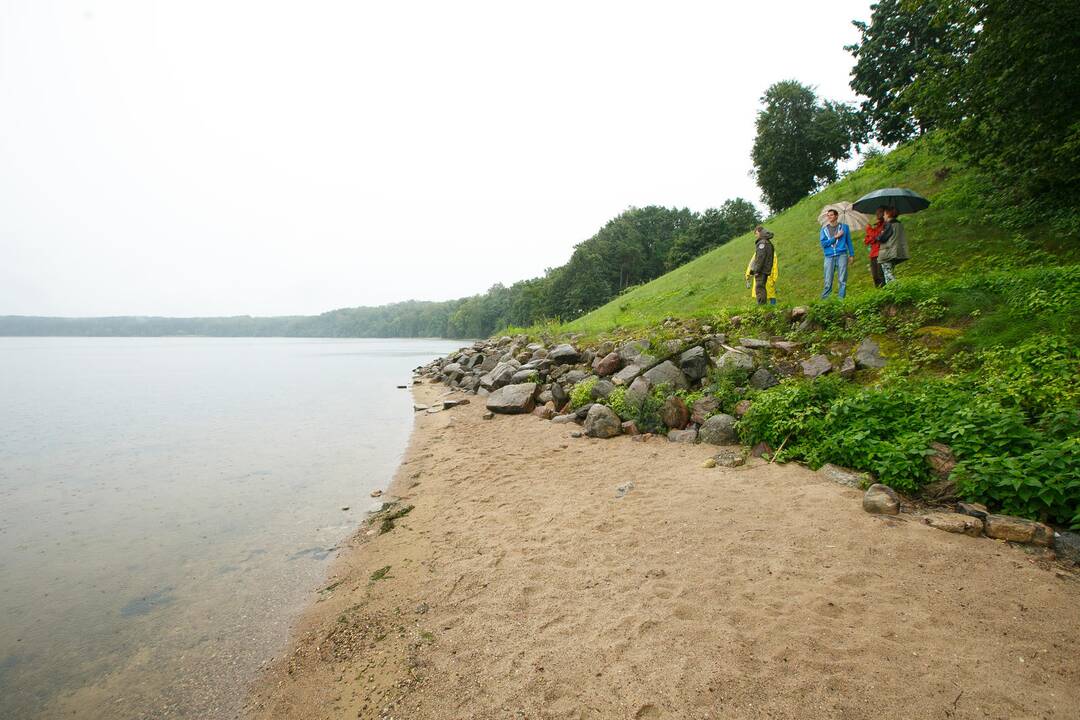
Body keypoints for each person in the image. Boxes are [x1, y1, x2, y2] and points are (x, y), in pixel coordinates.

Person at [819, 208, 854, 298]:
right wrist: (836, 237)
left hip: (842, 255)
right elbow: (823, 244)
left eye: (831, 215)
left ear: (836, 216)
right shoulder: (824, 229)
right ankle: (825, 301)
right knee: (828, 279)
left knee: (842, 279)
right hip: (829, 256)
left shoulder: (844, 227)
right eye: (828, 215)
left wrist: (851, 254)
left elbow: (849, 242)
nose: (829, 217)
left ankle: (841, 301)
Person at [875, 206, 909, 283]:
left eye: (884, 214)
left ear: (888, 214)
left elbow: (882, 238)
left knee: (888, 273)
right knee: (889, 271)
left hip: (888, 252)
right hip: (896, 251)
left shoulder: (889, 225)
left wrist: (879, 235)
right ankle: (893, 290)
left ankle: (896, 288)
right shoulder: (898, 224)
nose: (883, 216)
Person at [746, 226, 776, 305]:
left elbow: (760, 258)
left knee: (759, 287)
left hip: (761, 270)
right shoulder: (768, 242)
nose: (756, 236)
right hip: (766, 269)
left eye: (756, 233)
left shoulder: (762, 243)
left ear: (759, 232)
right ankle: (764, 306)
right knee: (762, 287)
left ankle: (762, 306)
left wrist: (756, 270)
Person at [863, 207, 886, 288]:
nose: (877, 214)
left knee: (881, 274)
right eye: (876, 212)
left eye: (879, 212)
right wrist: (872, 235)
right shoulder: (876, 225)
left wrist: (869, 230)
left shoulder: (885, 225)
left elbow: (877, 236)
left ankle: (886, 292)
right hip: (873, 253)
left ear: (884, 213)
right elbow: (866, 240)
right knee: (875, 275)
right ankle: (879, 293)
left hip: (881, 252)